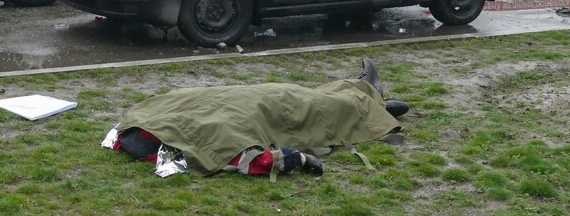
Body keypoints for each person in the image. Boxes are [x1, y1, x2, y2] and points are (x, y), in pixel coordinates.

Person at [105, 58, 408, 178]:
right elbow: (258, 159)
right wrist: (298, 160)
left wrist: (298, 160)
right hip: (257, 108)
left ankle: (366, 96)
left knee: (301, 98)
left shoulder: (151, 126)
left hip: (244, 101)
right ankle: (365, 99)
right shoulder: (202, 140)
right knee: (308, 106)